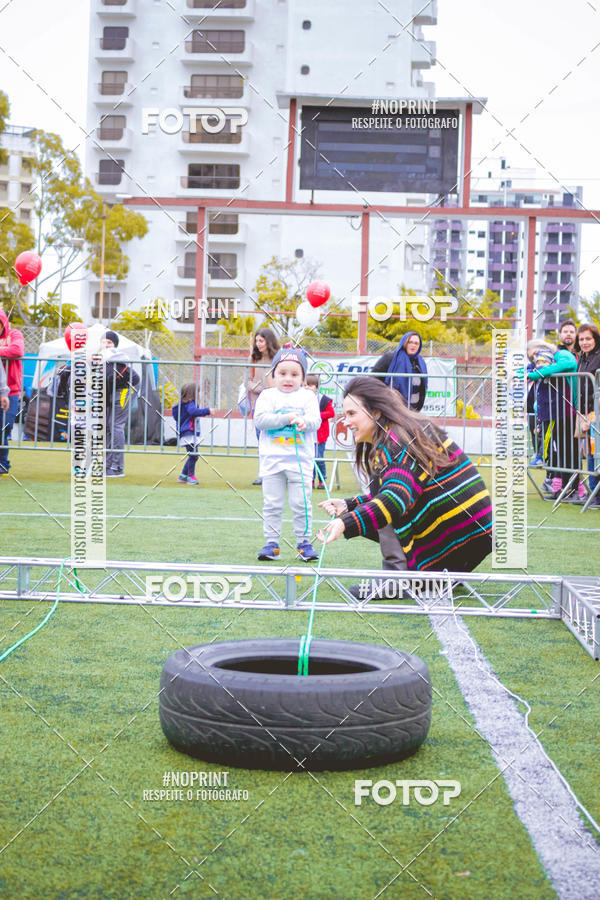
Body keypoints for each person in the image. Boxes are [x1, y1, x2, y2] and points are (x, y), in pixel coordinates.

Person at [316, 376, 493, 585]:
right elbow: (404, 490)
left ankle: (396, 580)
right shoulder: (404, 431)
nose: (345, 422)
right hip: (473, 536)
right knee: (377, 506)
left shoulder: (396, 443)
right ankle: (440, 573)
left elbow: (395, 498)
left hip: (460, 539)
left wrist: (346, 523)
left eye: (352, 414)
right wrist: (349, 505)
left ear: (376, 412)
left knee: (386, 508)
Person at [254, 346, 321, 562]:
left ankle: (304, 542)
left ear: (303, 377)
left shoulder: (308, 397)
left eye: (295, 374)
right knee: (272, 504)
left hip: (300, 462)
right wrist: (285, 418)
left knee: (301, 503)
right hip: (272, 462)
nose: (288, 378)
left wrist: (304, 421)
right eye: (282, 373)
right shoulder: (267, 395)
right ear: (273, 375)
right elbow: (260, 420)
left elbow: (315, 421)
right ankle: (271, 543)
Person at [527, 338, 580, 501]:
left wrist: (537, 373)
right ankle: (565, 488)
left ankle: (573, 489)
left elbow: (568, 363)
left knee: (568, 451)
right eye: (532, 357)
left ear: (544, 348)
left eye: (536, 353)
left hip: (570, 409)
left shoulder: (561, 354)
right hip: (560, 411)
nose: (536, 359)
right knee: (562, 451)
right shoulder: (548, 362)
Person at [102, 330, 140, 478]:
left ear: (115, 345)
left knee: (115, 425)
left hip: (126, 389)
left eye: (109, 342)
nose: (106, 345)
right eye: (103, 342)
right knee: (106, 425)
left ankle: (117, 467)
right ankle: (106, 464)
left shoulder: (117, 359)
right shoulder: (98, 359)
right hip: (111, 391)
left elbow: (110, 381)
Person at [247, 327, 281, 485]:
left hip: (277, 406)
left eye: (261, 340)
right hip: (258, 405)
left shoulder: (278, 359)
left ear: (269, 341)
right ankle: (263, 474)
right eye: (257, 340)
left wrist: (272, 391)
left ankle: (279, 473)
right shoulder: (253, 359)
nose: (258, 343)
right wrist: (262, 390)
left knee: (278, 440)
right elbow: (247, 381)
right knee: (261, 439)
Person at [575, 323, 600, 507]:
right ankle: (595, 494)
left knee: (596, 454)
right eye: (581, 339)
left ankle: (596, 494)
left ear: (595, 339)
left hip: (597, 412)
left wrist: (593, 415)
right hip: (587, 413)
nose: (584, 342)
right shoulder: (582, 359)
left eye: (588, 338)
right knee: (591, 453)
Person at [371, 331, 428, 411]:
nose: (413, 345)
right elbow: (373, 379)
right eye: (410, 342)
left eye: (416, 343)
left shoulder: (420, 362)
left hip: (413, 410)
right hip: (392, 409)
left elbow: (422, 388)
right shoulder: (391, 358)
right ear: (404, 343)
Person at [172, 383, 214, 485]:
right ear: (193, 393)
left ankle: (183, 475)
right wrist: (207, 411)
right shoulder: (191, 403)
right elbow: (193, 411)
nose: (199, 394)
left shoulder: (183, 404)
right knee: (193, 455)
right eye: (198, 392)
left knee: (193, 455)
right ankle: (190, 476)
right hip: (189, 432)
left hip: (187, 432)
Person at [0, 309, 24, 476]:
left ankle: (2, 463)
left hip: (11, 391)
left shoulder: (15, 334)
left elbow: (17, 350)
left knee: (5, 428)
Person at [305, 373, 335, 489]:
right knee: (309, 458)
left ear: (317, 387)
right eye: (305, 385)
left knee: (319, 457)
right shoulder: (301, 400)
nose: (308, 387)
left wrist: (317, 415)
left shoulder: (324, 400)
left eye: (311, 385)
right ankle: (310, 479)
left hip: (320, 435)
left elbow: (331, 413)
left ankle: (322, 479)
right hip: (307, 434)